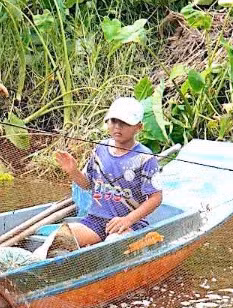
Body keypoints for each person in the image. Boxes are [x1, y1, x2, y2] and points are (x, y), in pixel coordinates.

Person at [50, 96, 164, 251]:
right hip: (95, 221)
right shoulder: (100, 149)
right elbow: (88, 184)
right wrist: (73, 171)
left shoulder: (145, 157)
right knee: (59, 237)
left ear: (138, 127)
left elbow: (156, 198)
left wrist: (128, 220)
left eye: (124, 123)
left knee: (112, 244)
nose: (118, 127)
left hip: (130, 224)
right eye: (114, 121)